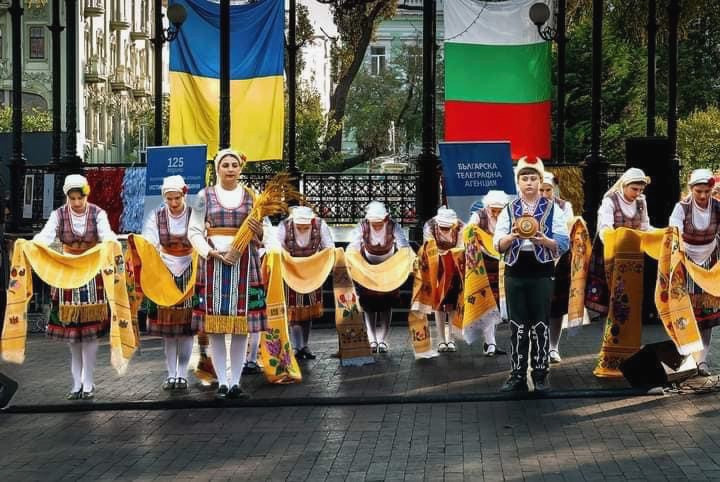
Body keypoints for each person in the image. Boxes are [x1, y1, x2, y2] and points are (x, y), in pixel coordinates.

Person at [188, 148, 267, 400]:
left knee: (241, 327)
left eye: (234, 165)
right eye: (225, 165)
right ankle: (222, 381)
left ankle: (235, 382)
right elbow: (194, 230)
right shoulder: (203, 196)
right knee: (216, 327)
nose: (230, 169)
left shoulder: (252, 196)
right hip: (213, 264)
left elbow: (264, 233)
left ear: (240, 169)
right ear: (217, 169)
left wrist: (258, 230)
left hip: (245, 263)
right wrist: (209, 252)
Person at [33, 174, 116, 400]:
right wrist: (30, 245)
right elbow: (44, 237)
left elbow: (106, 235)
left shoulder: (98, 213)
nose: (77, 202)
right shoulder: (58, 215)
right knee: (73, 337)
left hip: (91, 272)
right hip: (67, 273)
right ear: (67, 197)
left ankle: (88, 382)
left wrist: (112, 242)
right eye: (73, 198)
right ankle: (76, 383)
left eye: (80, 197)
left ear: (86, 195)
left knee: (89, 335)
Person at [493, 157, 569, 392]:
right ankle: (517, 374)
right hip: (516, 268)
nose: (529, 182)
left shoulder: (553, 209)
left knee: (540, 323)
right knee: (517, 324)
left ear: (540, 181)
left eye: (533, 178)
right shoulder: (509, 209)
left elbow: (563, 242)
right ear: (518, 183)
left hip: (541, 269)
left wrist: (544, 240)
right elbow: (498, 244)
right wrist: (512, 236)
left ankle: (540, 374)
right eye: (524, 178)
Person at [141, 175, 196, 390]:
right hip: (165, 272)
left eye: (177, 198)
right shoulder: (157, 216)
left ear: (184, 195)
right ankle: (171, 373)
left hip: (189, 272)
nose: (173, 203)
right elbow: (149, 242)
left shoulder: (194, 215)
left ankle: (182, 373)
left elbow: (201, 239)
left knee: (187, 328)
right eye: (169, 199)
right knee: (169, 330)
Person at [669, 169, 720, 376]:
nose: (703, 195)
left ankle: (702, 360)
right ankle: (685, 357)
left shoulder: (717, 207)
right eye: (699, 191)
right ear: (691, 189)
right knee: (685, 311)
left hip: (709, 263)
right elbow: (674, 230)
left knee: (707, 313)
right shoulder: (681, 208)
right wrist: (678, 242)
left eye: (707, 191)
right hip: (686, 261)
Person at [586, 168, 652, 316]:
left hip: (632, 251)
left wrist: (662, 233)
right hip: (612, 249)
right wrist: (616, 244)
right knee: (612, 290)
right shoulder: (610, 201)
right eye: (634, 189)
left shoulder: (641, 202)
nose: (637, 193)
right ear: (624, 185)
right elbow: (605, 228)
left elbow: (645, 226)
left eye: (641, 190)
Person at [348, 201, 410, 353]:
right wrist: (349, 256)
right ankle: (372, 338)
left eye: (379, 222)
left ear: (386, 218)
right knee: (368, 304)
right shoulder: (362, 226)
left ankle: (383, 339)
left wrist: (408, 257)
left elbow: (403, 245)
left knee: (386, 304)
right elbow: (353, 245)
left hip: (388, 269)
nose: (376, 225)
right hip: (368, 269)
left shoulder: (393, 226)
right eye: (373, 223)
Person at [277, 205, 334, 359]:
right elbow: (276, 246)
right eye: (299, 225)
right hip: (291, 271)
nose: (302, 228)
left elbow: (329, 247)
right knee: (294, 310)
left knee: (308, 310)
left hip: (312, 273)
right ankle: (297, 346)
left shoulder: (320, 225)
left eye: (305, 226)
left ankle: (305, 345)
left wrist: (323, 260)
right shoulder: (284, 226)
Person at [467, 190, 509, 356]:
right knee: (487, 302)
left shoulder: (507, 217)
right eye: (493, 210)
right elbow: (468, 232)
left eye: (499, 210)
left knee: (497, 303)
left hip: (502, 262)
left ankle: (490, 342)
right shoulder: (479, 216)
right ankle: (490, 342)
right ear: (487, 207)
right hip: (483, 263)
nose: (496, 213)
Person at [539, 172, 574, 363]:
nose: (544, 194)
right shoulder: (527, 206)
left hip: (559, 259)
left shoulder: (564, 206)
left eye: (548, 190)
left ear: (554, 189)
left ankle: (553, 347)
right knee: (538, 304)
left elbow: (566, 232)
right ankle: (540, 346)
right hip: (535, 259)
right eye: (541, 190)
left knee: (557, 307)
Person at [423, 207, 464, 352]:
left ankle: (451, 338)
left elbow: (460, 248)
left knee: (452, 303)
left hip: (454, 264)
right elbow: (429, 247)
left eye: (447, 227)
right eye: (442, 227)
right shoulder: (429, 226)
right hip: (436, 265)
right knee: (438, 303)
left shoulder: (461, 227)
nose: (445, 229)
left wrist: (449, 259)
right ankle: (441, 339)